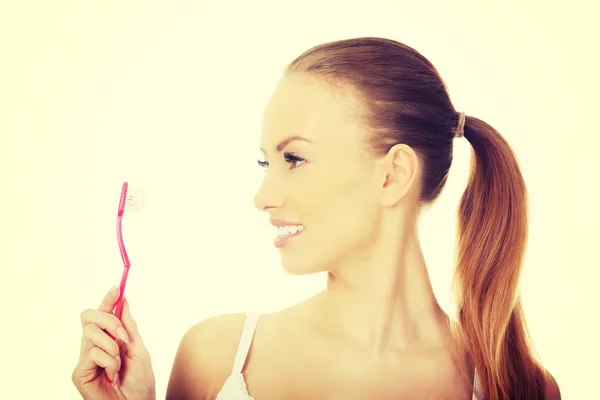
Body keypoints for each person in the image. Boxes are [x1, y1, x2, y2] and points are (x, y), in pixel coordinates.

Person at [72, 37, 561, 400]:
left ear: (392, 175)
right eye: (267, 162)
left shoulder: (516, 387)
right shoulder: (217, 359)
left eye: (295, 160)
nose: (263, 197)